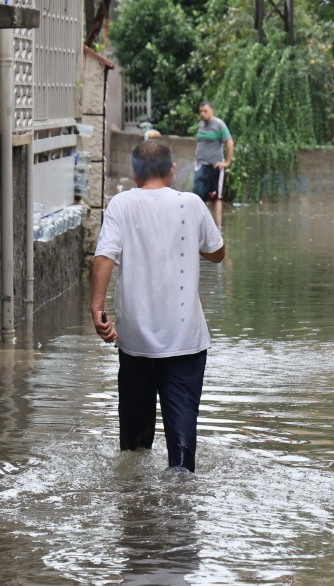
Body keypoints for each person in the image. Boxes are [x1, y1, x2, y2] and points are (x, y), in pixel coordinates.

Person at [91, 140, 226, 473]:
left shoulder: (120, 204)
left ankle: (136, 510)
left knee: (134, 446)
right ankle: (180, 502)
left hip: (135, 340)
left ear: (134, 172)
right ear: (172, 171)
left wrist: (97, 308)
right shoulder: (191, 204)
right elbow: (218, 252)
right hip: (185, 340)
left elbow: (105, 255)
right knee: (182, 444)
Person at [192, 101, 233, 225]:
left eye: (205, 111)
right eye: (201, 111)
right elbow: (200, 144)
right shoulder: (201, 125)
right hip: (201, 165)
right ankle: (200, 226)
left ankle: (218, 227)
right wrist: (196, 159)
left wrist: (227, 162)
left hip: (215, 166)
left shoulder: (219, 124)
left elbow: (230, 143)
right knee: (197, 197)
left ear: (212, 111)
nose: (202, 114)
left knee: (215, 198)